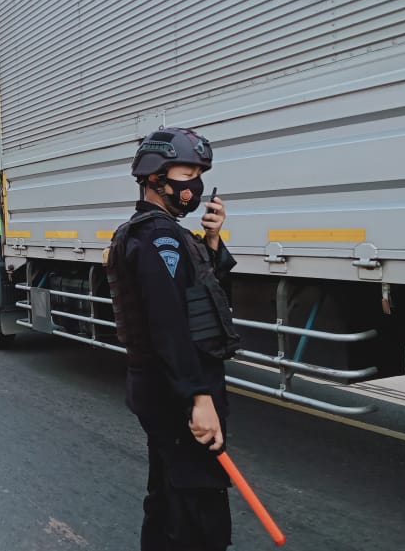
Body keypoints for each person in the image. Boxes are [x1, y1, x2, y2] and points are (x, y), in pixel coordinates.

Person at [106, 127, 242, 551]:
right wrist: (198, 398)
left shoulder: (170, 235)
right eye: (187, 170)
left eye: (200, 171)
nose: (195, 183)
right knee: (198, 513)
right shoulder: (156, 237)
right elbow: (168, 324)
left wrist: (214, 240)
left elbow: (204, 300)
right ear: (154, 175)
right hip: (177, 394)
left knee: (167, 498)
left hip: (170, 389)